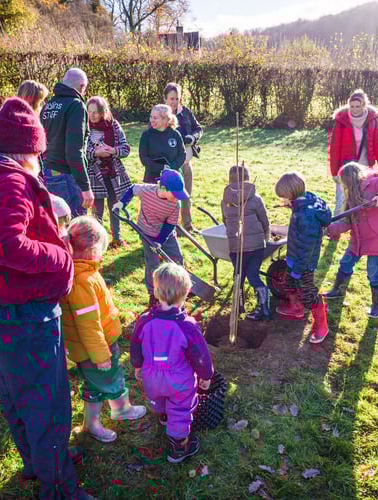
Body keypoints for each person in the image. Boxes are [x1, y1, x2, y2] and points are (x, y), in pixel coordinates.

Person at [0, 97, 92, 499]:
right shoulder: (10, 181)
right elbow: (7, 245)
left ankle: (38, 461)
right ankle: (58, 487)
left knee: (17, 391)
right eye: (39, 152)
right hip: (25, 309)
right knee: (48, 399)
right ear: (31, 149)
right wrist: (61, 254)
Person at [61, 216, 146, 443]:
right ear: (92, 250)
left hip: (93, 347)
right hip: (95, 349)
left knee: (95, 384)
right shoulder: (82, 280)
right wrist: (100, 355)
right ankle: (119, 410)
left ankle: (93, 422)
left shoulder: (83, 271)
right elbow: (87, 324)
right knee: (109, 378)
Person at [130, 262, 214, 463]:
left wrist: (137, 365)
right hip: (179, 379)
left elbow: (135, 344)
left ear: (156, 291)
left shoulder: (144, 320)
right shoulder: (187, 326)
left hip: (152, 377)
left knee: (159, 399)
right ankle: (179, 446)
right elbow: (199, 355)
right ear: (186, 293)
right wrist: (206, 375)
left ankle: (163, 416)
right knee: (180, 408)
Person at [324, 162, 378, 319]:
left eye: (345, 182)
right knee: (345, 263)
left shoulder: (374, 183)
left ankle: (376, 306)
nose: (345, 186)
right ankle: (338, 291)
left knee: (373, 272)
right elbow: (346, 222)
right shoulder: (351, 196)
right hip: (359, 239)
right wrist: (330, 228)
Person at [113, 169, 188, 308]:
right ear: (163, 188)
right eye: (175, 193)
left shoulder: (175, 203)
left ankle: (180, 288)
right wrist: (122, 203)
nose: (177, 197)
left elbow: (170, 224)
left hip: (166, 234)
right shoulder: (147, 190)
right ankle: (153, 294)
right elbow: (132, 189)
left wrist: (160, 241)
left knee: (177, 259)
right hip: (146, 232)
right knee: (152, 264)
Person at [274, 171, 332, 343]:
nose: (281, 201)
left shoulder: (306, 215)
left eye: (283, 197)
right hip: (295, 257)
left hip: (303, 263)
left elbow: (306, 247)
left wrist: (298, 268)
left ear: (291, 194)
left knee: (308, 293)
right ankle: (296, 308)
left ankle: (322, 325)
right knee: (289, 283)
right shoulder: (302, 206)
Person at [221, 164, 271, 320]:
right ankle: (264, 307)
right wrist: (265, 235)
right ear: (248, 179)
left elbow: (225, 221)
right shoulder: (255, 198)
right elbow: (265, 220)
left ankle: (238, 306)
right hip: (256, 246)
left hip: (236, 246)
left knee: (238, 276)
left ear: (229, 180)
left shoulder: (225, 201)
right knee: (253, 275)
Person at [327, 88, 378, 215]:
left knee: (361, 200)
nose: (354, 109)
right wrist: (334, 172)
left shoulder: (372, 120)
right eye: (352, 106)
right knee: (341, 201)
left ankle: (359, 232)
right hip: (345, 166)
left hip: (365, 166)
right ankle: (334, 232)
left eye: (357, 106)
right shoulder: (341, 121)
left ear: (364, 105)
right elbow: (334, 148)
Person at [41, 68, 93, 217]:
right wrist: (85, 187)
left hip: (49, 171)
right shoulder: (76, 105)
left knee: (57, 221)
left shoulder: (49, 105)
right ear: (82, 86)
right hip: (67, 175)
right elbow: (74, 150)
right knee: (76, 224)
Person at [86, 95, 132, 249]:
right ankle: (96, 242)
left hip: (113, 173)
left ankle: (117, 238)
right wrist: (95, 153)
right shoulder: (84, 127)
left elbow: (125, 149)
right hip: (94, 174)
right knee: (97, 210)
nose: (92, 115)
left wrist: (112, 150)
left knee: (115, 207)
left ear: (102, 112)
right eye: (89, 111)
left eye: (95, 112)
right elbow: (80, 151)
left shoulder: (113, 126)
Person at [165, 82, 203, 231]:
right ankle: (170, 227)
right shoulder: (161, 114)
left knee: (186, 195)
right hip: (169, 163)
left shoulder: (186, 112)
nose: (174, 102)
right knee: (170, 196)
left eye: (177, 99)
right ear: (166, 99)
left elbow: (198, 129)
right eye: (171, 98)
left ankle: (187, 225)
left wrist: (192, 138)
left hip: (186, 162)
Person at [138, 104, 185, 184]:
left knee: (171, 196)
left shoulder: (175, 135)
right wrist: (160, 168)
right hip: (152, 178)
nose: (151, 120)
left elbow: (182, 155)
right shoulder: (146, 135)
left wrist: (171, 167)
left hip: (173, 177)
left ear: (165, 120)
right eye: (151, 117)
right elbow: (143, 157)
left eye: (155, 118)